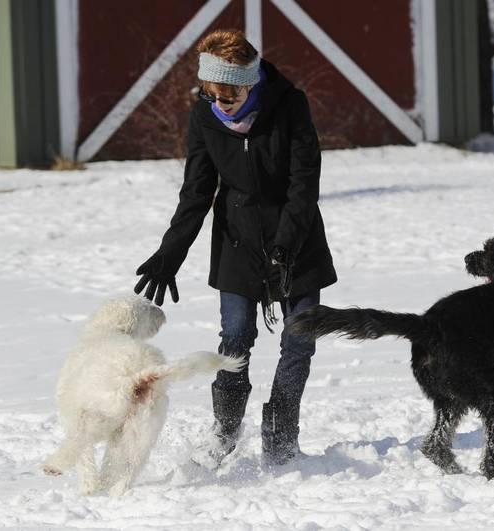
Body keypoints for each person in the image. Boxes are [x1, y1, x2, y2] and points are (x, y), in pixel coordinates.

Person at [134, 29, 337, 466]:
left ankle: (281, 437)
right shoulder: (205, 116)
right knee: (236, 338)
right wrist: (171, 252)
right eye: (213, 95)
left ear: (251, 82)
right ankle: (224, 432)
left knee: (300, 340)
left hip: (296, 235)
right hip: (238, 239)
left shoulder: (289, 105)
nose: (221, 104)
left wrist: (287, 241)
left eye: (230, 95)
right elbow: (197, 192)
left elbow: (304, 185)